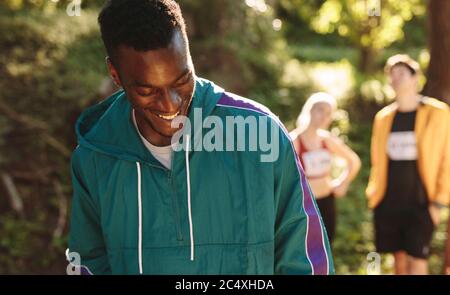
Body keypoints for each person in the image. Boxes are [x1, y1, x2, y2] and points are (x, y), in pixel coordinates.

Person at [66, 0, 333, 275]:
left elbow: (307, 260)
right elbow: (88, 262)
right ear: (115, 75)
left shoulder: (260, 134)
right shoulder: (95, 155)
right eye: (148, 91)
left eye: (181, 81)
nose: (170, 106)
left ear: (189, 56)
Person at [366, 54, 450, 275]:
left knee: (418, 260)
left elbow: (446, 158)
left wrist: (439, 203)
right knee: (399, 263)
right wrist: (374, 196)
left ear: (416, 78)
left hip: (423, 204)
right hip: (389, 202)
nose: (395, 78)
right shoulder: (383, 118)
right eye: (391, 75)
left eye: (401, 73)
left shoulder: (438, 113)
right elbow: (377, 161)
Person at [290, 92, 361, 246]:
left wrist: (342, 183)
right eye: (320, 110)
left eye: (329, 113)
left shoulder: (327, 139)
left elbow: (354, 161)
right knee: (303, 252)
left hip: (327, 203)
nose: (324, 116)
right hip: (304, 207)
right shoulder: (294, 141)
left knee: (326, 250)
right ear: (309, 110)